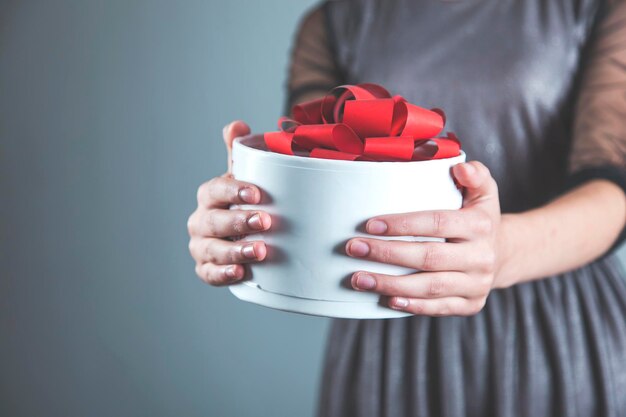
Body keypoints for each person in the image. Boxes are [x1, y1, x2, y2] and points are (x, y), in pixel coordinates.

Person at [187, 0, 626, 415]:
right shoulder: (338, 22)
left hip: (555, 326)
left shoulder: (595, 8)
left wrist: (500, 249)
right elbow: (315, 173)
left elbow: (612, 186)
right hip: (385, 325)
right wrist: (242, 228)